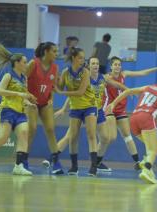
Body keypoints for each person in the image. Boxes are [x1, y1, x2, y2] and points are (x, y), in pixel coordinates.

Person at [48, 56, 127, 172]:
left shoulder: (103, 78)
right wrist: (63, 108)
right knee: (70, 136)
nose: (95, 65)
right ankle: (51, 158)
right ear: (88, 65)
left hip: (98, 110)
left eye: (97, 63)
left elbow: (118, 85)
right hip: (84, 109)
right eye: (93, 63)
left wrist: (129, 90)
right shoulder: (85, 78)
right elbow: (73, 95)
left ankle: (97, 162)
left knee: (105, 137)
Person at [106, 72, 157, 184]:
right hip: (146, 118)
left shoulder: (148, 87)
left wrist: (113, 104)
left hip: (134, 119)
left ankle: (145, 162)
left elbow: (128, 91)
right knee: (152, 149)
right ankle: (147, 169)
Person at [104, 56, 157, 170]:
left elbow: (142, 73)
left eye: (119, 64)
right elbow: (118, 86)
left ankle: (137, 162)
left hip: (120, 109)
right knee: (111, 137)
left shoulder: (124, 74)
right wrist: (129, 91)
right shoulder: (106, 77)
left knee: (127, 135)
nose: (117, 66)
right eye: (115, 64)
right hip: (109, 107)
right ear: (111, 66)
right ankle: (98, 160)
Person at [0, 44, 37, 175]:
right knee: (1, 140)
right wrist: (19, 94)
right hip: (7, 110)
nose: (27, 65)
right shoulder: (8, 76)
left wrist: (28, 102)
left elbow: (23, 95)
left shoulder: (24, 78)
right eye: (24, 62)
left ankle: (18, 166)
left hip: (20, 112)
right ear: (17, 63)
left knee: (24, 134)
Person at [57, 47, 99, 176]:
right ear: (74, 58)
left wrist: (62, 92)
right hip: (75, 108)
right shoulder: (65, 72)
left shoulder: (85, 72)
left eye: (83, 57)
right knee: (73, 137)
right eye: (80, 57)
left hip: (89, 106)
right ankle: (74, 166)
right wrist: (53, 80)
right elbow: (58, 87)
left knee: (91, 134)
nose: (83, 60)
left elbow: (80, 92)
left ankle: (93, 166)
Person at [25, 42, 64, 175]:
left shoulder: (55, 67)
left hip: (45, 102)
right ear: (46, 52)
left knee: (51, 129)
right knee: (32, 129)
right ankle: (23, 160)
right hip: (31, 102)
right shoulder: (33, 63)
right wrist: (26, 97)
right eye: (54, 51)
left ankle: (56, 162)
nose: (56, 54)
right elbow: (21, 80)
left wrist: (51, 97)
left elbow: (51, 86)